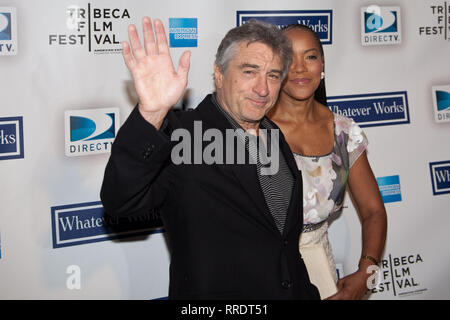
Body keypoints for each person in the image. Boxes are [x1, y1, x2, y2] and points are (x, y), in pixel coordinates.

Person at [100, 17, 320, 300]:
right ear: (219, 74)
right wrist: (152, 114)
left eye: (273, 75)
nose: (263, 88)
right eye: (250, 72)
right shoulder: (184, 136)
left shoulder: (273, 133)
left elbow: (282, 242)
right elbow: (121, 201)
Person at [268, 24, 388, 300]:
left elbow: (373, 211)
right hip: (259, 273)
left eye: (309, 56)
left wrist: (367, 272)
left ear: (322, 64)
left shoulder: (343, 132)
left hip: (320, 275)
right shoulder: (251, 130)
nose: (299, 68)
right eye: (288, 57)